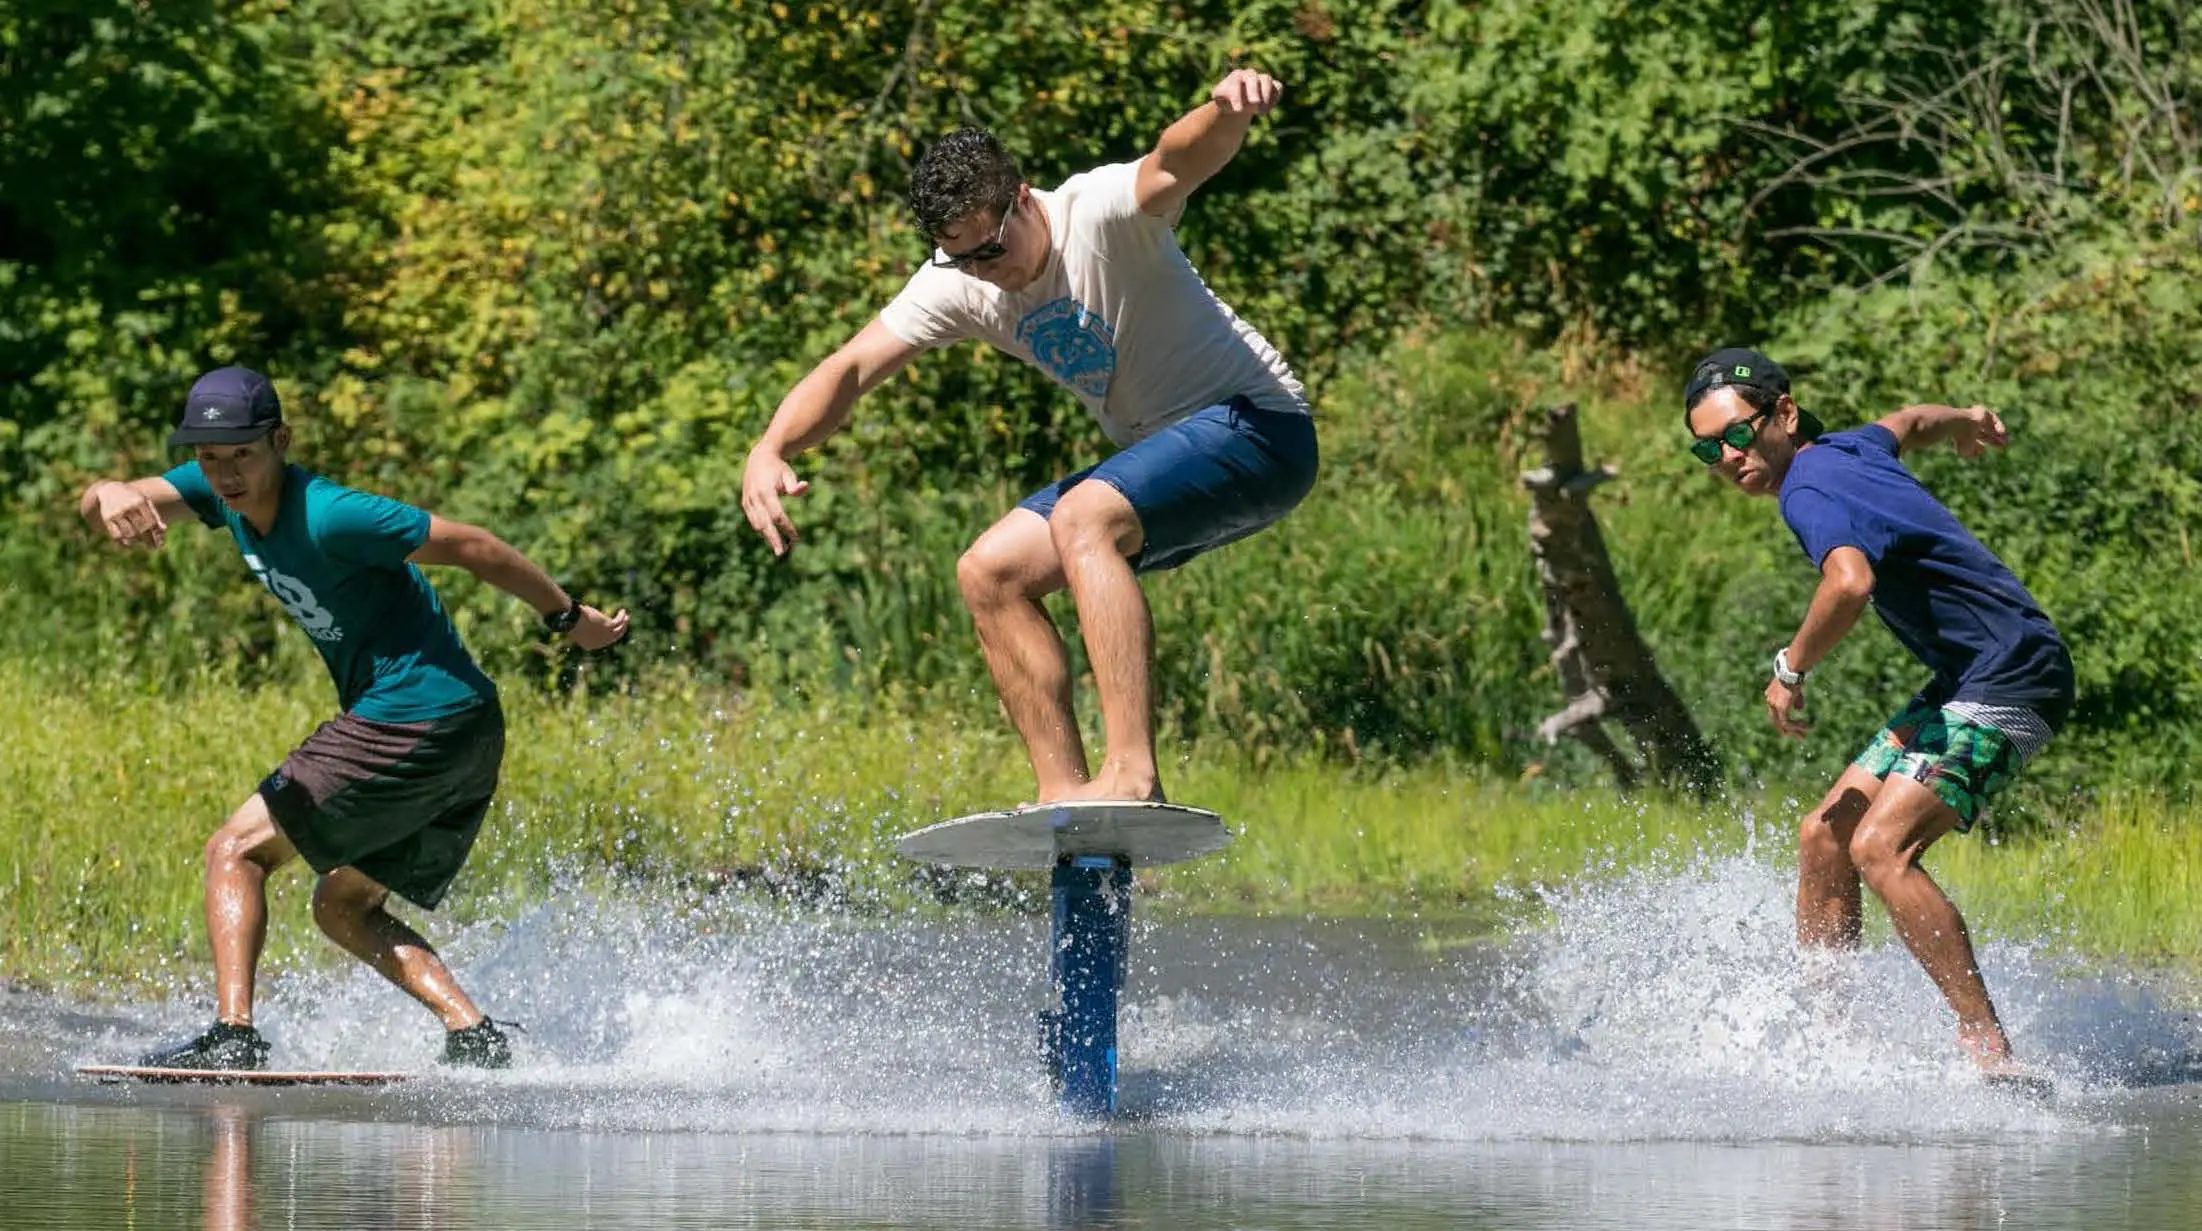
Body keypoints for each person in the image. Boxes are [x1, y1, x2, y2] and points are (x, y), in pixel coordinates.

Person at [740, 70, 1318, 805]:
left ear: (1021, 199)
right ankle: (1065, 799)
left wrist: (1227, 109)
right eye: (964, 257)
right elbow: (851, 367)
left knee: (1086, 518)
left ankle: (1131, 774)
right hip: (1166, 455)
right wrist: (772, 446)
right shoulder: (959, 279)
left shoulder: (1100, 213)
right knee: (989, 572)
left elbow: (1177, 158)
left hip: (1262, 428)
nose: (989, 271)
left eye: (993, 246)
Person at [78, 366, 628, 1070]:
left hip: (416, 715)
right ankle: (474, 1035)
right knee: (342, 907)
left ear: (280, 440)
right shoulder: (218, 492)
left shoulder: (332, 514)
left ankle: (234, 1037)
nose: (226, 476)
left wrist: (567, 617)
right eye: (209, 460)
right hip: (464, 730)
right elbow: (103, 503)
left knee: (234, 851)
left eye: (243, 455)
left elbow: (471, 543)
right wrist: (112, 491)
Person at [1682, 347, 2074, 1081]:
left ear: (1784, 414)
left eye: (1736, 434)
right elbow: (1910, 421)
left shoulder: (1806, 487)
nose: (1727, 457)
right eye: (1707, 447)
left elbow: (1851, 579)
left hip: (2017, 673)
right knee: (1824, 835)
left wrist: (1789, 667)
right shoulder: (1847, 448)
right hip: (1967, 674)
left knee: (1878, 848)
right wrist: (1967, 420)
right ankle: (1832, 1044)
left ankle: (1992, 1056)